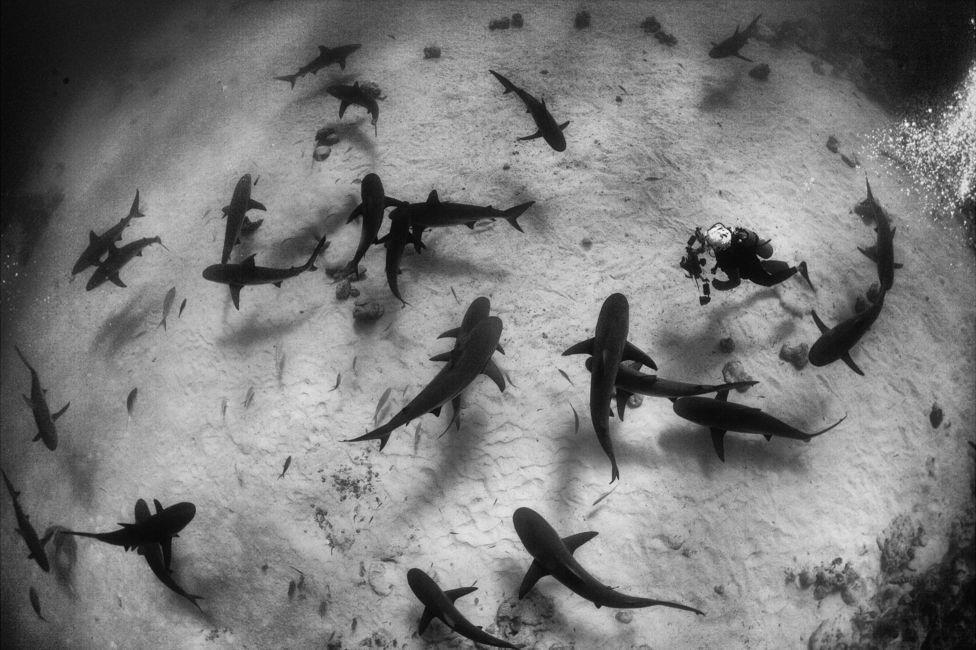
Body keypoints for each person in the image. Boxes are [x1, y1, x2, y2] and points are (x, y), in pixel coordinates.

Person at [701, 223, 814, 291]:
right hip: (751, 257)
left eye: (711, 246)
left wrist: (720, 285)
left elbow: (735, 282)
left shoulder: (724, 258)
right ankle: (781, 266)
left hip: (749, 270)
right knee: (759, 265)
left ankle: (798, 268)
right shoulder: (732, 233)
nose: (711, 248)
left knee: (768, 281)